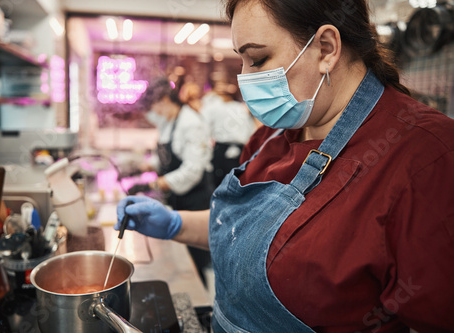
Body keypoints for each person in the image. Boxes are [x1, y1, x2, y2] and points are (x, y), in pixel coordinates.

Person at [116, 1, 454, 332]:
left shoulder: (426, 157)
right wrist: (177, 224)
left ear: (325, 49)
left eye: (258, 59)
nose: (244, 79)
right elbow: (254, 234)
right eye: (242, 61)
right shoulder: (271, 137)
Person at [140, 77, 214, 285]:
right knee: (180, 256)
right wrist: (144, 166)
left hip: (195, 201)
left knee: (194, 261)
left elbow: (192, 171)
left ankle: (200, 308)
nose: (153, 112)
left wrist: (154, 184)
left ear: (164, 100)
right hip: (178, 198)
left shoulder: (191, 123)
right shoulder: (169, 122)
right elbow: (166, 157)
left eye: (154, 106)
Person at [200, 81, 257, 187]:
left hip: (222, 151)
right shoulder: (241, 109)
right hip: (239, 151)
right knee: (238, 183)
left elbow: (204, 130)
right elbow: (251, 131)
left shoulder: (215, 108)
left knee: (220, 184)